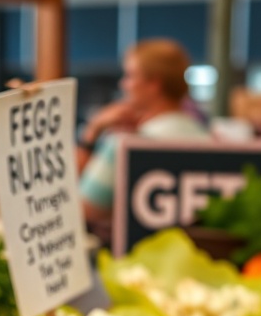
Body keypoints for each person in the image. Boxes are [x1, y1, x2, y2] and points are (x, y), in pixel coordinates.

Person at [78, 39, 208, 222]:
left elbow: (83, 209)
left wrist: (92, 131)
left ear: (154, 83)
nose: (123, 84)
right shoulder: (210, 140)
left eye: (130, 76)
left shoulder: (122, 145)